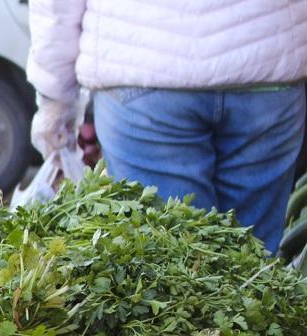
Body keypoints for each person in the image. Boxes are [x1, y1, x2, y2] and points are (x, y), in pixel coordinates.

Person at [27, 0, 307, 252]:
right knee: (254, 261)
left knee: (172, 258)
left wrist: (55, 96)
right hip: (266, 64)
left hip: (142, 68)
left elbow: (56, 7)